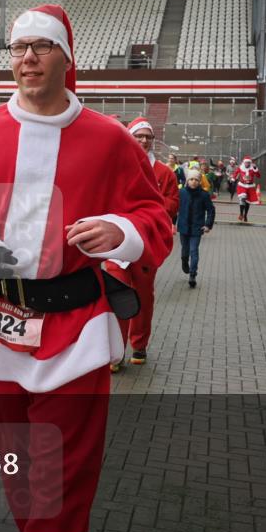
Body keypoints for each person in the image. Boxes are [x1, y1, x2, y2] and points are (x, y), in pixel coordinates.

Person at [0, 4, 172, 532]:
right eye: (19, 48)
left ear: (66, 58)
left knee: (61, 485)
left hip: (76, 330)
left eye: (41, 47)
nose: (28, 58)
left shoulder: (109, 139)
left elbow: (154, 217)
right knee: (20, 476)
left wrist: (120, 231)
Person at [105, 117, 179, 370]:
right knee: (118, 296)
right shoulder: (115, 167)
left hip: (147, 245)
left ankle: (139, 345)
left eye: (148, 136)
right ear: (129, 137)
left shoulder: (164, 173)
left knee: (143, 297)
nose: (144, 140)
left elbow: (172, 204)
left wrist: (147, 211)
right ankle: (115, 352)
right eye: (139, 136)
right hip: (117, 247)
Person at [175, 169, 215, 288]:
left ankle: (193, 275)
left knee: (194, 251)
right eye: (191, 179)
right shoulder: (181, 193)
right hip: (183, 226)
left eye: (196, 180)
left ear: (199, 182)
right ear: (187, 181)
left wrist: (208, 225)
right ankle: (184, 260)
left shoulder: (204, 195)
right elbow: (174, 208)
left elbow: (211, 210)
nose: (193, 182)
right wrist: (172, 222)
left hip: (197, 228)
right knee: (185, 250)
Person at [232, 155, 261, 222]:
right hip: (242, 185)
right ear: (244, 162)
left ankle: (245, 215)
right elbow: (236, 173)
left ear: (250, 163)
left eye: (248, 163)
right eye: (246, 162)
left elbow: (258, 176)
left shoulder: (253, 168)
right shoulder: (241, 167)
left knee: (248, 202)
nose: (247, 164)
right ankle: (241, 214)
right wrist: (233, 178)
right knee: (242, 199)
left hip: (250, 186)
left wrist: (256, 169)